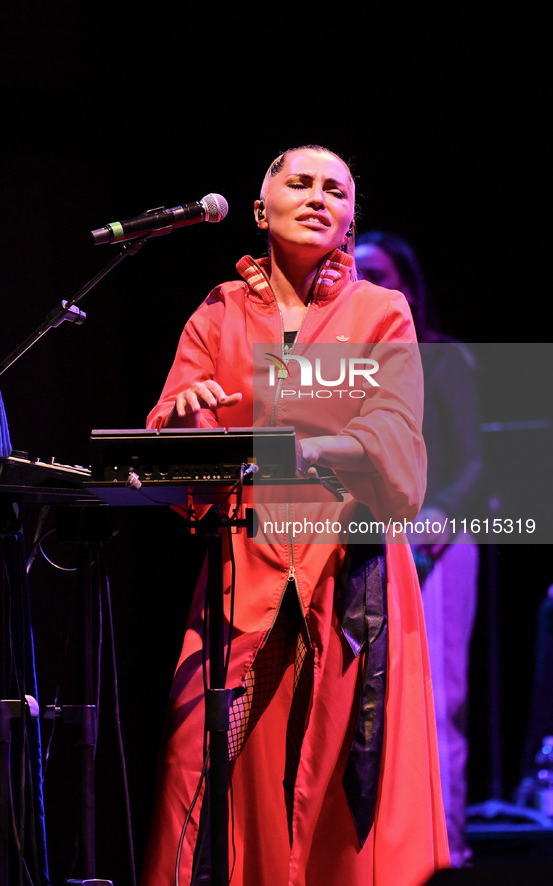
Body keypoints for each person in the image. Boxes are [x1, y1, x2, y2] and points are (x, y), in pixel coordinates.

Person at [141, 147, 449, 886]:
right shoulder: (219, 310)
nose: (317, 197)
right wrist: (186, 427)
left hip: (350, 569)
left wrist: (268, 454)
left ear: (349, 220)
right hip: (243, 566)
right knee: (202, 760)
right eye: (298, 182)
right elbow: (168, 447)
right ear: (259, 210)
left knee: (348, 782)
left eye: (335, 190)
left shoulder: (380, 311)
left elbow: (392, 442)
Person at [354, 231, 483, 867]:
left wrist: (441, 512)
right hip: (367, 535)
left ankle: (445, 846)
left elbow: (474, 460)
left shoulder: (442, 357)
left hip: (442, 536)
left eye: (377, 271)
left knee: (439, 694)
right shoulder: (345, 359)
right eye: (356, 271)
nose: (364, 280)